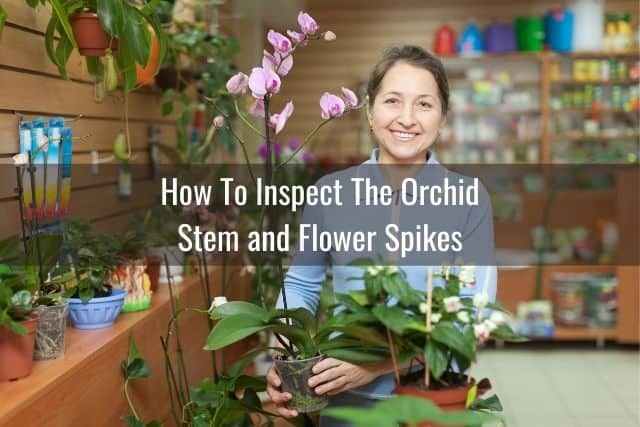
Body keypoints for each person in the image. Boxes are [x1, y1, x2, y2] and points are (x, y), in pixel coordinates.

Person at [266, 45, 497, 426]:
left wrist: (375, 366)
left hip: (432, 399)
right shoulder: (329, 193)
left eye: (424, 104)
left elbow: (476, 315)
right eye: (393, 101)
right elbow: (301, 288)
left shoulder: (469, 199)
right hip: (344, 403)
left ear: (442, 118)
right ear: (370, 110)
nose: (407, 118)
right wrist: (285, 361)